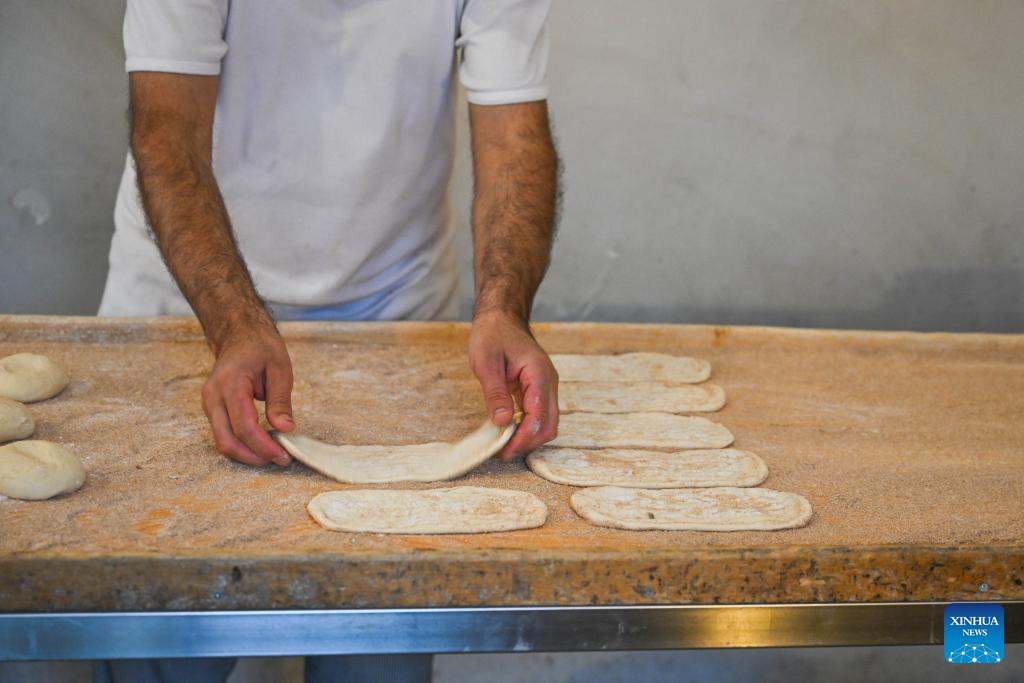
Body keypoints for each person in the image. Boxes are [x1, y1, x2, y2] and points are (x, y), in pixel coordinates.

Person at [95, 1, 559, 681]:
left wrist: (505, 307)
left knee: (377, 653)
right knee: (165, 645)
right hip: (187, 309)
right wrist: (235, 324)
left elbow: (514, 138)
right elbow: (168, 132)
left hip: (393, 317)